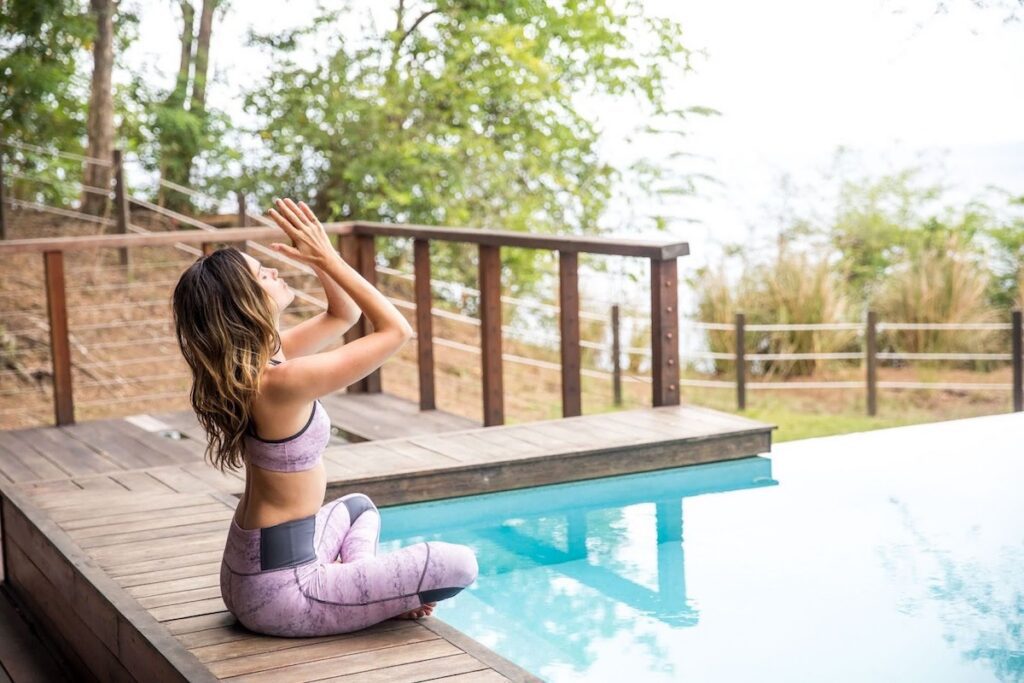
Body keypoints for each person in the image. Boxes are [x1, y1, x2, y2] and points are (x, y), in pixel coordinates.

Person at [171, 197, 478, 637]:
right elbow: (396, 331)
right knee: (459, 564)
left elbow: (343, 314)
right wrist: (329, 258)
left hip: (253, 571)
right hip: (284, 592)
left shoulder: (258, 364)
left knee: (358, 508)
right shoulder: (279, 383)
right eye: (262, 274)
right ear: (244, 302)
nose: (273, 271)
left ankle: (367, 591)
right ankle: (373, 596)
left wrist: (320, 259)